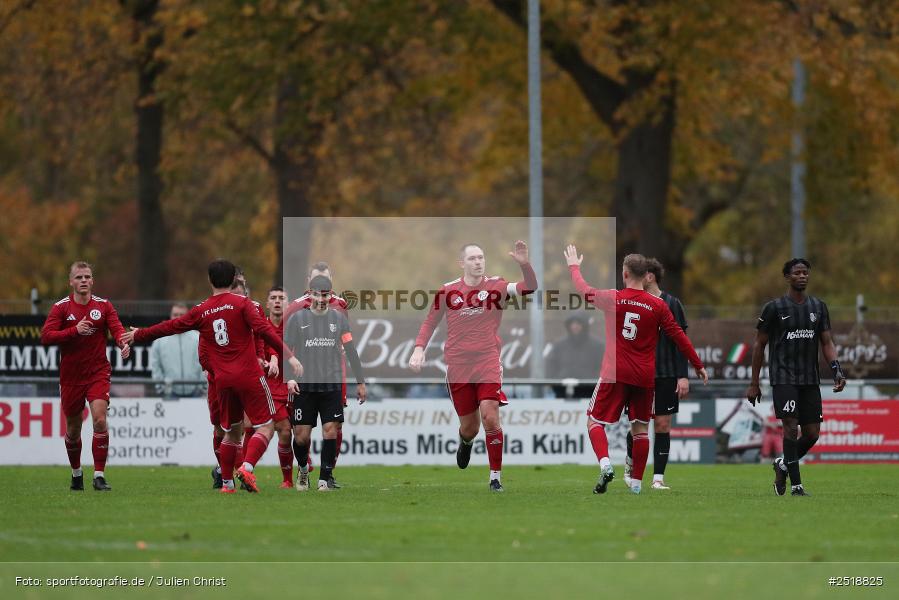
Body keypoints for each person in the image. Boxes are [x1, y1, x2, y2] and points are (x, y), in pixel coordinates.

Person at [122, 259, 301, 494]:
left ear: (210, 280)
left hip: (222, 381)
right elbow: (265, 330)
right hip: (249, 375)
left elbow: (172, 326)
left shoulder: (201, 310)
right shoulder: (243, 304)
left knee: (231, 433)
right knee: (267, 426)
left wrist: (140, 334)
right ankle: (247, 468)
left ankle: (227, 484)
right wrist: (289, 357)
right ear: (233, 280)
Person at [564, 247, 707, 494]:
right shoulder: (658, 305)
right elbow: (679, 336)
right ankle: (638, 485)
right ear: (646, 276)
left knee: (594, 421)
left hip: (615, 372)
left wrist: (574, 266)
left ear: (625, 274)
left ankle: (606, 464)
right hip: (644, 376)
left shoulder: (613, 298)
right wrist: (698, 365)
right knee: (640, 429)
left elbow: (584, 290)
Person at [409, 241, 538, 492]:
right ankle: (465, 442)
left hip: (487, 361)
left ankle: (495, 478)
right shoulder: (448, 291)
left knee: (490, 416)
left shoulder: (496, 286)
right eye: (472, 258)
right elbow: (430, 322)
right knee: (470, 428)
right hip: (458, 366)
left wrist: (525, 265)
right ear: (462, 263)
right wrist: (418, 348)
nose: (478, 262)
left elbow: (529, 287)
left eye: (481, 257)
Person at [746, 258, 846, 497]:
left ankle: (782, 465)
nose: (802, 276)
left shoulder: (818, 307)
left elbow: (827, 342)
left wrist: (837, 370)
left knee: (812, 434)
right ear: (787, 277)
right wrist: (754, 383)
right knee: (790, 428)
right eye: (797, 273)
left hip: (809, 378)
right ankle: (797, 486)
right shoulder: (774, 308)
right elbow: (759, 345)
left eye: (805, 273)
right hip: (783, 377)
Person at [40, 261, 130, 492]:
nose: (83, 280)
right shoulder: (61, 308)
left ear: (92, 281)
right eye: (79, 277)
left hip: (97, 372)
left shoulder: (104, 306)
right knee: (73, 429)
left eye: (87, 277)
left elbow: (117, 329)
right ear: (71, 281)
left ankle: (99, 476)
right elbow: (46, 336)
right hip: (71, 377)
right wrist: (74, 331)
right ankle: (76, 473)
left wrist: (122, 343)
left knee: (99, 419)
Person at [285, 275, 367, 492]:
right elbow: (286, 351)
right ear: (309, 294)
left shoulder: (339, 319)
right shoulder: (297, 319)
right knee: (301, 437)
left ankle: (324, 479)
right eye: (317, 295)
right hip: (304, 386)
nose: (321, 299)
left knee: (331, 430)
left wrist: (360, 382)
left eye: (325, 295)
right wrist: (289, 377)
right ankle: (303, 469)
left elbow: (350, 350)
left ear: (331, 295)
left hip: (331, 384)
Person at [623, 258, 690, 490]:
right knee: (637, 425)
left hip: (666, 374)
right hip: (638, 373)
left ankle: (658, 479)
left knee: (662, 424)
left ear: (649, 277)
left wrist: (683, 375)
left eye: (641, 274)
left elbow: (681, 341)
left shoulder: (672, 303)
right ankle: (630, 463)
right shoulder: (633, 302)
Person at [263, 285, 295, 489]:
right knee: (284, 430)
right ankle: (287, 480)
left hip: (295, 385)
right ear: (267, 303)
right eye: (273, 297)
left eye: (281, 298)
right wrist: (266, 361)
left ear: (288, 304)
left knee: (301, 432)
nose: (277, 301)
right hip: (272, 388)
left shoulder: (295, 327)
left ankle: (303, 463)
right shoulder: (260, 327)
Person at [149, 302, 203, 398]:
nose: (178, 318)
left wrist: (201, 387)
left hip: (195, 393)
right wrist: (161, 387)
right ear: (170, 316)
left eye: (182, 315)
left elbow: (205, 364)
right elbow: (155, 365)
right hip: (169, 393)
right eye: (175, 314)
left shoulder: (198, 338)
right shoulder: (160, 339)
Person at [545, 312, 604, 399]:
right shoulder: (559, 345)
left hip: (590, 394)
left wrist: (592, 383)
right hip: (562, 393)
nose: (574, 326)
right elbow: (551, 366)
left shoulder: (597, 346)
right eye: (572, 324)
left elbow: (603, 368)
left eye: (578, 323)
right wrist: (556, 383)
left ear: (584, 325)